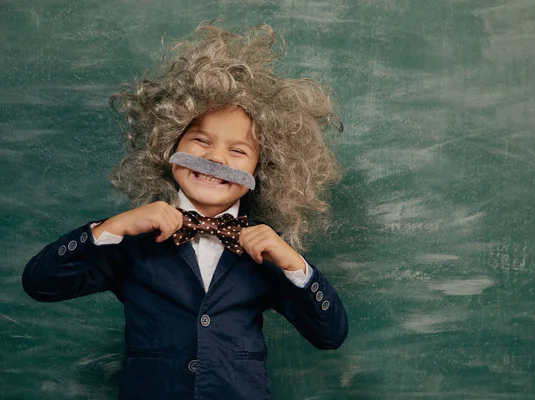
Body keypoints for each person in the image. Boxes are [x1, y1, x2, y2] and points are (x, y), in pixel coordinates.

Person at [22, 23, 348, 400]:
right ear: (169, 145)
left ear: (263, 170)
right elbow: (40, 284)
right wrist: (109, 228)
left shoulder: (267, 248)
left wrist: (295, 264)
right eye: (200, 140)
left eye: (237, 151)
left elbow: (330, 334)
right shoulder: (131, 238)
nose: (214, 158)